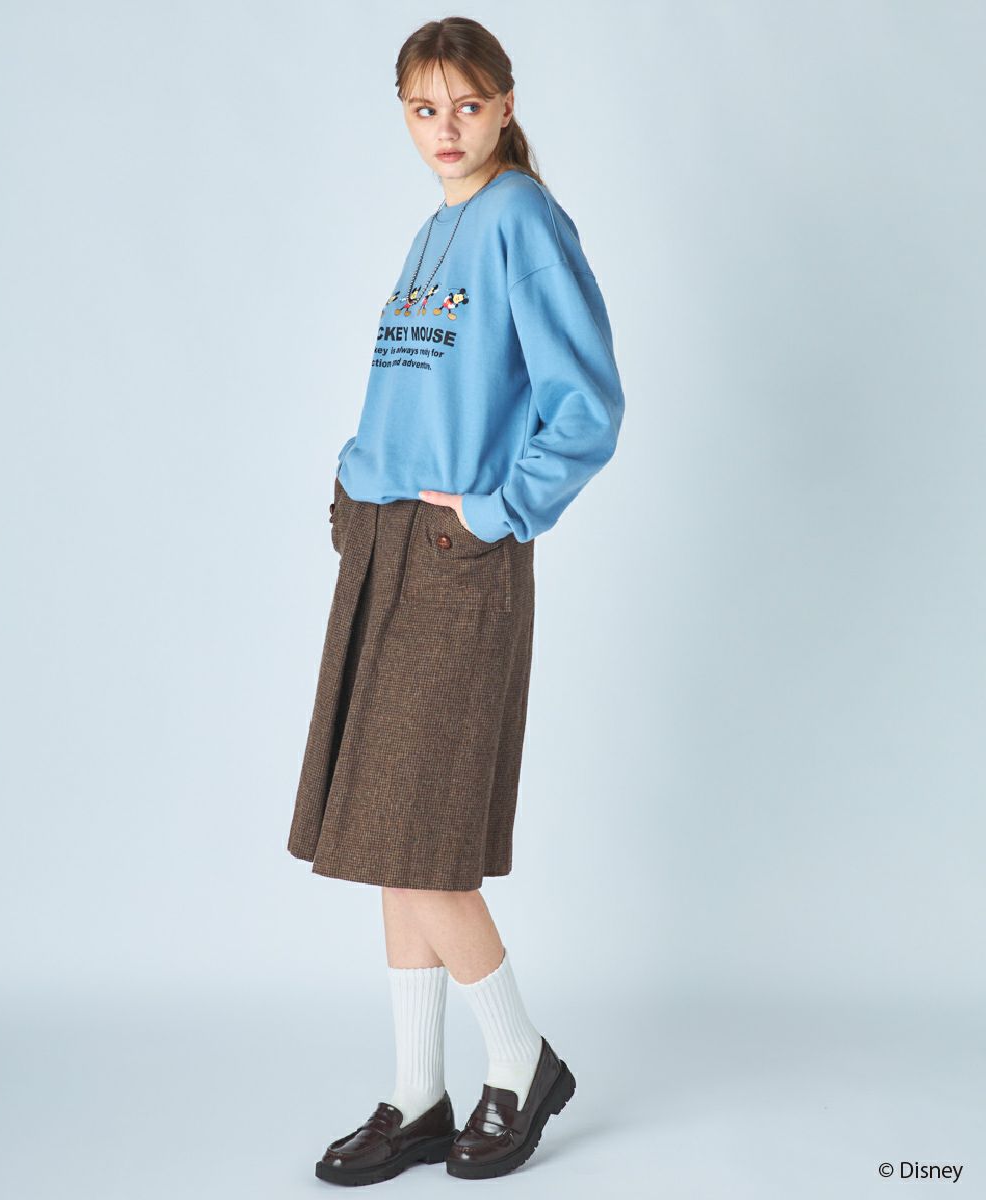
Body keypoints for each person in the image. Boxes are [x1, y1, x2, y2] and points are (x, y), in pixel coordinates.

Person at [287, 16, 625, 1185]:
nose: (446, 128)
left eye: (466, 106)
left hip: (452, 554)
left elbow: (587, 405)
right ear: (403, 112)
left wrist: (495, 511)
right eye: (424, 109)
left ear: (504, 104)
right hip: (383, 546)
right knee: (389, 835)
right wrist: (352, 484)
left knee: (426, 840)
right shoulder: (434, 228)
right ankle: (415, 1092)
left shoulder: (521, 219)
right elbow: (409, 390)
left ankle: (521, 1062)